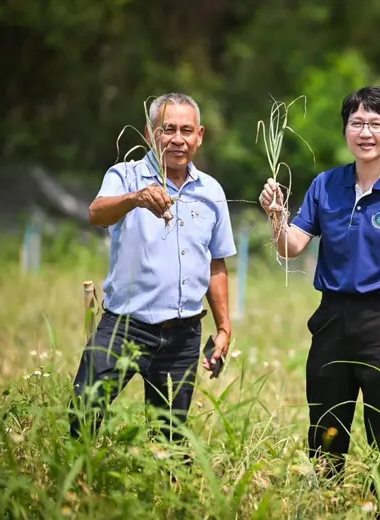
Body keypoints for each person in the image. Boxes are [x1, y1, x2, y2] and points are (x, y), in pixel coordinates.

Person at [258, 86, 380, 496]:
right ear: (345, 131)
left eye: (376, 124)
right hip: (332, 319)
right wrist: (277, 215)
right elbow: (291, 247)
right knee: (326, 429)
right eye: (357, 123)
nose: (366, 132)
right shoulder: (326, 185)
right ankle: (327, 500)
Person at [69, 92, 236, 443]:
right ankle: (77, 485)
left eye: (186, 130)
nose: (177, 139)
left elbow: (215, 261)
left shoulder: (211, 191)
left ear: (199, 135)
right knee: (83, 418)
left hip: (183, 336)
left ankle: (166, 492)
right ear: (150, 133)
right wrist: (135, 199)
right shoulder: (126, 175)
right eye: (168, 129)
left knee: (169, 438)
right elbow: (96, 212)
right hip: (125, 328)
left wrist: (223, 327)